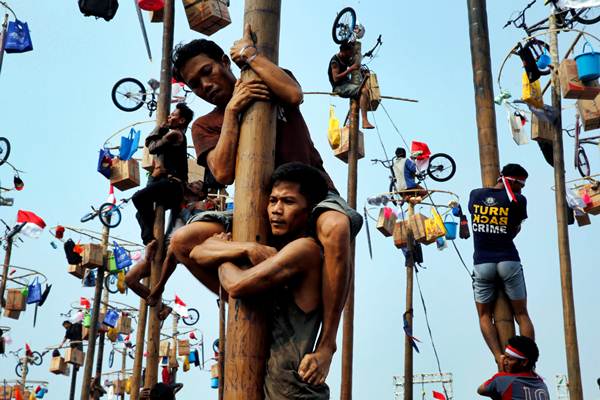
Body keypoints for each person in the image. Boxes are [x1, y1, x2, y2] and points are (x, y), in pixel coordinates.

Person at [150, 24, 363, 378]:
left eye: (208, 71)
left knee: (336, 225)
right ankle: (238, 289)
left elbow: (293, 94)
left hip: (313, 196)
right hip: (258, 213)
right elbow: (220, 171)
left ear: (223, 61)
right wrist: (232, 112)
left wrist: (250, 55)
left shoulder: (264, 76)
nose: (206, 85)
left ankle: (327, 342)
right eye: (195, 84)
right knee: (182, 240)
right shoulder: (205, 125)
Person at [190, 162, 330, 397]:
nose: (276, 209)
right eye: (273, 200)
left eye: (288, 202)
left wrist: (224, 254)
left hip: (294, 392)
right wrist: (246, 248)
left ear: (309, 210)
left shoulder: (306, 250)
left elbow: (236, 285)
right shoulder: (278, 249)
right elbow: (195, 252)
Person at [468, 163, 534, 370]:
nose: (521, 191)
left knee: (485, 316)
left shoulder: (475, 194)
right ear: (512, 181)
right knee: (521, 314)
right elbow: (513, 231)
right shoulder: (518, 201)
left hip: (482, 262)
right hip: (508, 260)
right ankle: (527, 359)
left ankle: (498, 356)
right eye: (520, 186)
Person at [126, 181, 205, 320]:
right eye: (193, 182)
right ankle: (163, 306)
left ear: (201, 194)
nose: (193, 184)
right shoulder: (179, 200)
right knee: (130, 280)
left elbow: (196, 225)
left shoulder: (199, 205)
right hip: (163, 245)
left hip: (178, 247)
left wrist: (185, 209)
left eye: (198, 185)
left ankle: (160, 290)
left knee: (172, 252)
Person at [131, 102, 194, 245]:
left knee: (138, 198)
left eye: (173, 115)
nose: (169, 116)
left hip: (173, 186)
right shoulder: (174, 134)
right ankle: (150, 240)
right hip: (168, 187)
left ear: (182, 120)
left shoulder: (175, 134)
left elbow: (152, 147)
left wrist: (159, 127)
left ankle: (149, 239)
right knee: (139, 213)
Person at [477, 335, 549, 399]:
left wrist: (502, 373)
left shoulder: (502, 380)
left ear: (524, 362)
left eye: (510, 359)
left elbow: (480, 390)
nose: (505, 362)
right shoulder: (542, 385)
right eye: (505, 358)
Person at [328, 41, 374, 129]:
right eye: (348, 54)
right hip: (339, 87)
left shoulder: (346, 57)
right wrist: (351, 69)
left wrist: (360, 70)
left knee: (365, 87)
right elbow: (336, 78)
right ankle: (365, 121)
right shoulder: (335, 62)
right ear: (343, 52)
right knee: (364, 91)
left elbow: (353, 61)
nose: (350, 56)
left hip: (346, 82)